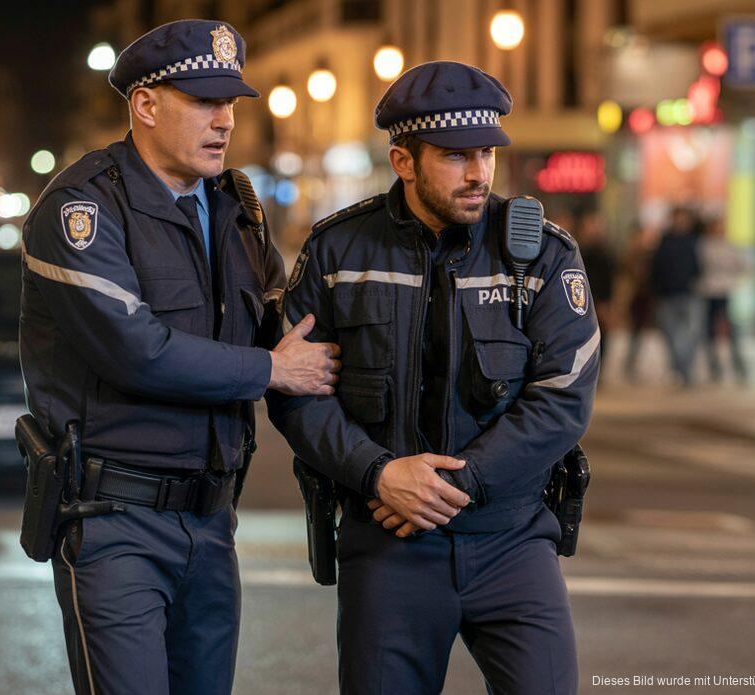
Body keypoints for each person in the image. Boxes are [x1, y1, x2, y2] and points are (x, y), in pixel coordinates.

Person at [18, 20, 339, 695]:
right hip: (115, 525)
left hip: (213, 520)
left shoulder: (236, 210)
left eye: (231, 104)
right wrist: (270, 369)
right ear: (146, 105)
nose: (225, 121)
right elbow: (138, 351)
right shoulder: (81, 209)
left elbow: (287, 322)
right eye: (203, 102)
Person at [268, 61, 599, 694]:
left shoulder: (543, 255)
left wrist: (460, 482)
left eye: (486, 153)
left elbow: (563, 396)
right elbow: (296, 391)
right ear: (403, 160)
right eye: (455, 157)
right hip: (387, 543)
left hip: (513, 542)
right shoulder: (338, 251)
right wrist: (378, 473)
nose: (479, 173)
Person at [649, 207, 703, 386]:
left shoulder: (694, 241)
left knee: (691, 335)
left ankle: (684, 370)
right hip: (668, 295)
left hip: (689, 294)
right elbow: (656, 267)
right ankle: (680, 368)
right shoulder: (665, 241)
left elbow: (699, 266)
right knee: (671, 335)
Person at [696, 216, 752, 383]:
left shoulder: (730, 246)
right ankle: (715, 367)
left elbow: (744, 266)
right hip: (708, 292)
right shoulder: (703, 246)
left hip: (726, 292)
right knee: (709, 332)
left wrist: (731, 278)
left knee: (731, 331)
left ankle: (738, 367)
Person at [577, 210, 617, 383]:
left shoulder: (604, 252)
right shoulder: (577, 249)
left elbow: (609, 279)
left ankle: (598, 373)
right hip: (581, 301)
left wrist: (607, 303)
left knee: (602, 338)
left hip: (599, 301)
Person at [622, 225, 657, 383]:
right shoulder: (630, 256)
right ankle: (630, 364)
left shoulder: (650, 255)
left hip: (646, 297)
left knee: (639, 333)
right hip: (635, 297)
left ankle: (632, 364)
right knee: (635, 332)